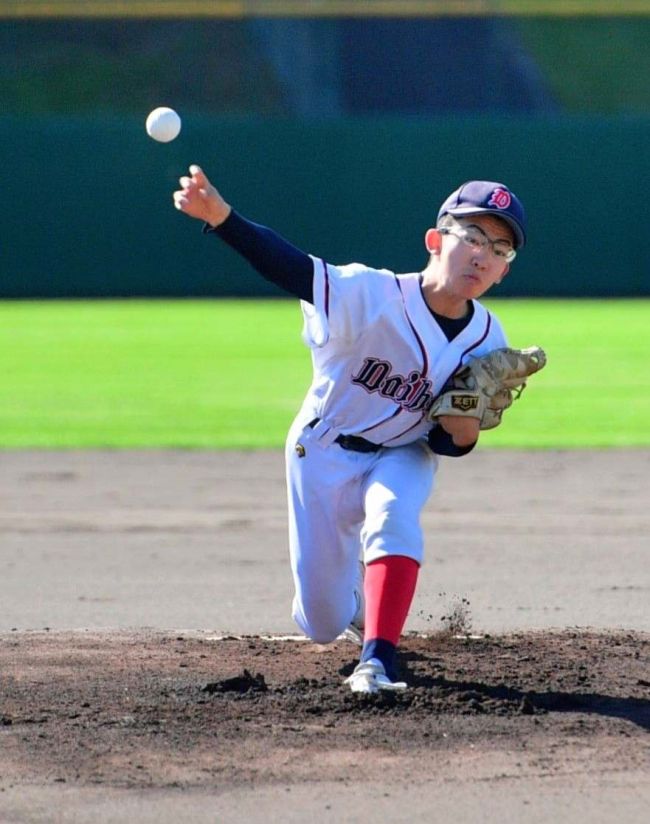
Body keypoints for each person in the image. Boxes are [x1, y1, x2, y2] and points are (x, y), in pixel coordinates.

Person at [173, 169, 526, 694]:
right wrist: (223, 220)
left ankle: (377, 661)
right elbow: (291, 269)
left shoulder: (488, 338)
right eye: (472, 236)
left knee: (393, 514)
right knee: (320, 622)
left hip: (402, 452)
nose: (482, 254)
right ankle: (358, 604)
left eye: (499, 249)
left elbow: (448, 442)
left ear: (502, 271)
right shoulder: (371, 293)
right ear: (435, 240)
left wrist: (463, 430)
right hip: (322, 450)